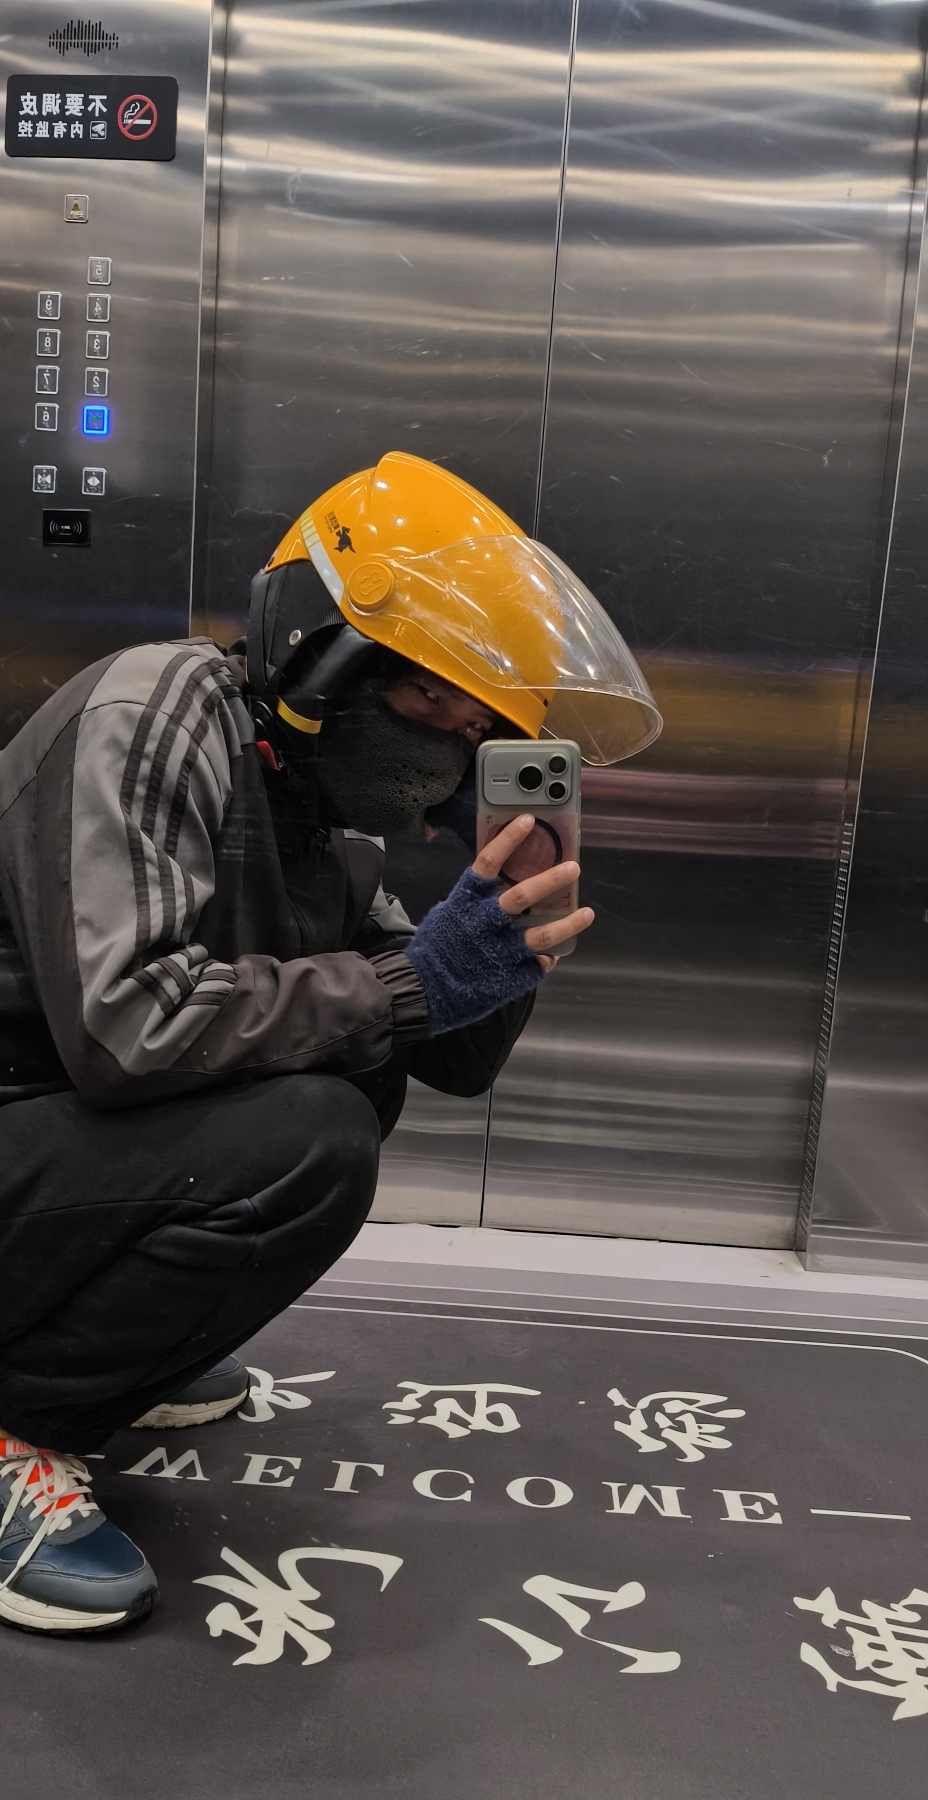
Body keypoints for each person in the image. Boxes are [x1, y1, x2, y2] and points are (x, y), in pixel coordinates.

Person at [0, 451, 660, 1635]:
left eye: (478, 721)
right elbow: (127, 1027)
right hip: (29, 1105)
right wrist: (415, 982)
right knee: (309, 1134)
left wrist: (507, 927)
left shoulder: (327, 814)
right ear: (320, 656)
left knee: (352, 1078)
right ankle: (22, 1423)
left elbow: (444, 1049)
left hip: (51, 1145)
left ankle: (96, 1351)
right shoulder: (155, 713)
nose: (453, 738)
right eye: (429, 699)